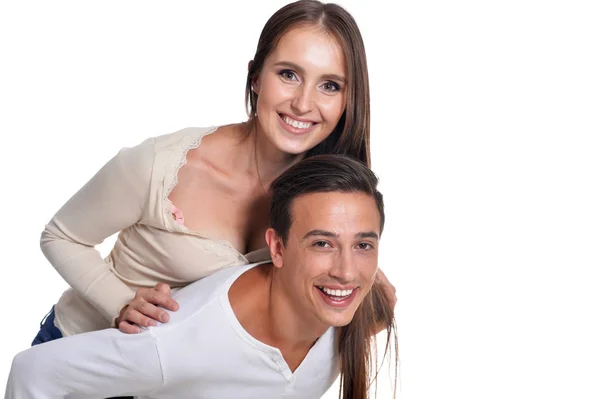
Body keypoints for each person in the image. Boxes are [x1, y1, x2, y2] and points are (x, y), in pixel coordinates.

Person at [31, 0, 396, 344]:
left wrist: (369, 307)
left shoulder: (332, 201)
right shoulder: (163, 164)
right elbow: (61, 236)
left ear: (349, 100)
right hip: (75, 351)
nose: (303, 104)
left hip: (167, 383)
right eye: (288, 75)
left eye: (329, 86)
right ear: (255, 77)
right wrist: (119, 303)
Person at [8, 155, 397, 399]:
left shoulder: (354, 311)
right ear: (277, 248)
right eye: (322, 244)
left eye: (364, 245)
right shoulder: (176, 341)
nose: (346, 272)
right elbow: (33, 373)